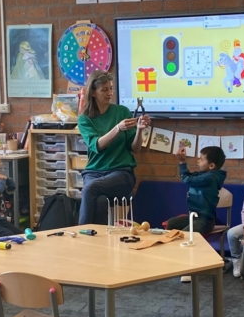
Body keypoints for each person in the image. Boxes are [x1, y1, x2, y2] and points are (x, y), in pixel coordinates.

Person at [76, 71, 151, 225]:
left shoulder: (122, 111)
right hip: (94, 171)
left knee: (89, 190)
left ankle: (82, 232)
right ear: (93, 92)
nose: (110, 93)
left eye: (111, 88)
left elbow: (135, 149)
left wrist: (139, 130)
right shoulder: (84, 119)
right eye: (104, 90)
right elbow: (96, 145)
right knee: (100, 201)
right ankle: (98, 238)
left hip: (121, 172)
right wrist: (117, 128)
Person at [168, 146, 227, 235]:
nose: (198, 161)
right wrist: (182, 161)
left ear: (211, 166)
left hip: (205, 221)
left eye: (201, 159)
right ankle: (170, 243)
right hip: (195, 217)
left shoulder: (210, 178)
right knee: (171, 223)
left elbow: (187, 179)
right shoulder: (204, 175)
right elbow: (189, 176)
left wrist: (182, 162)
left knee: (185, 235)